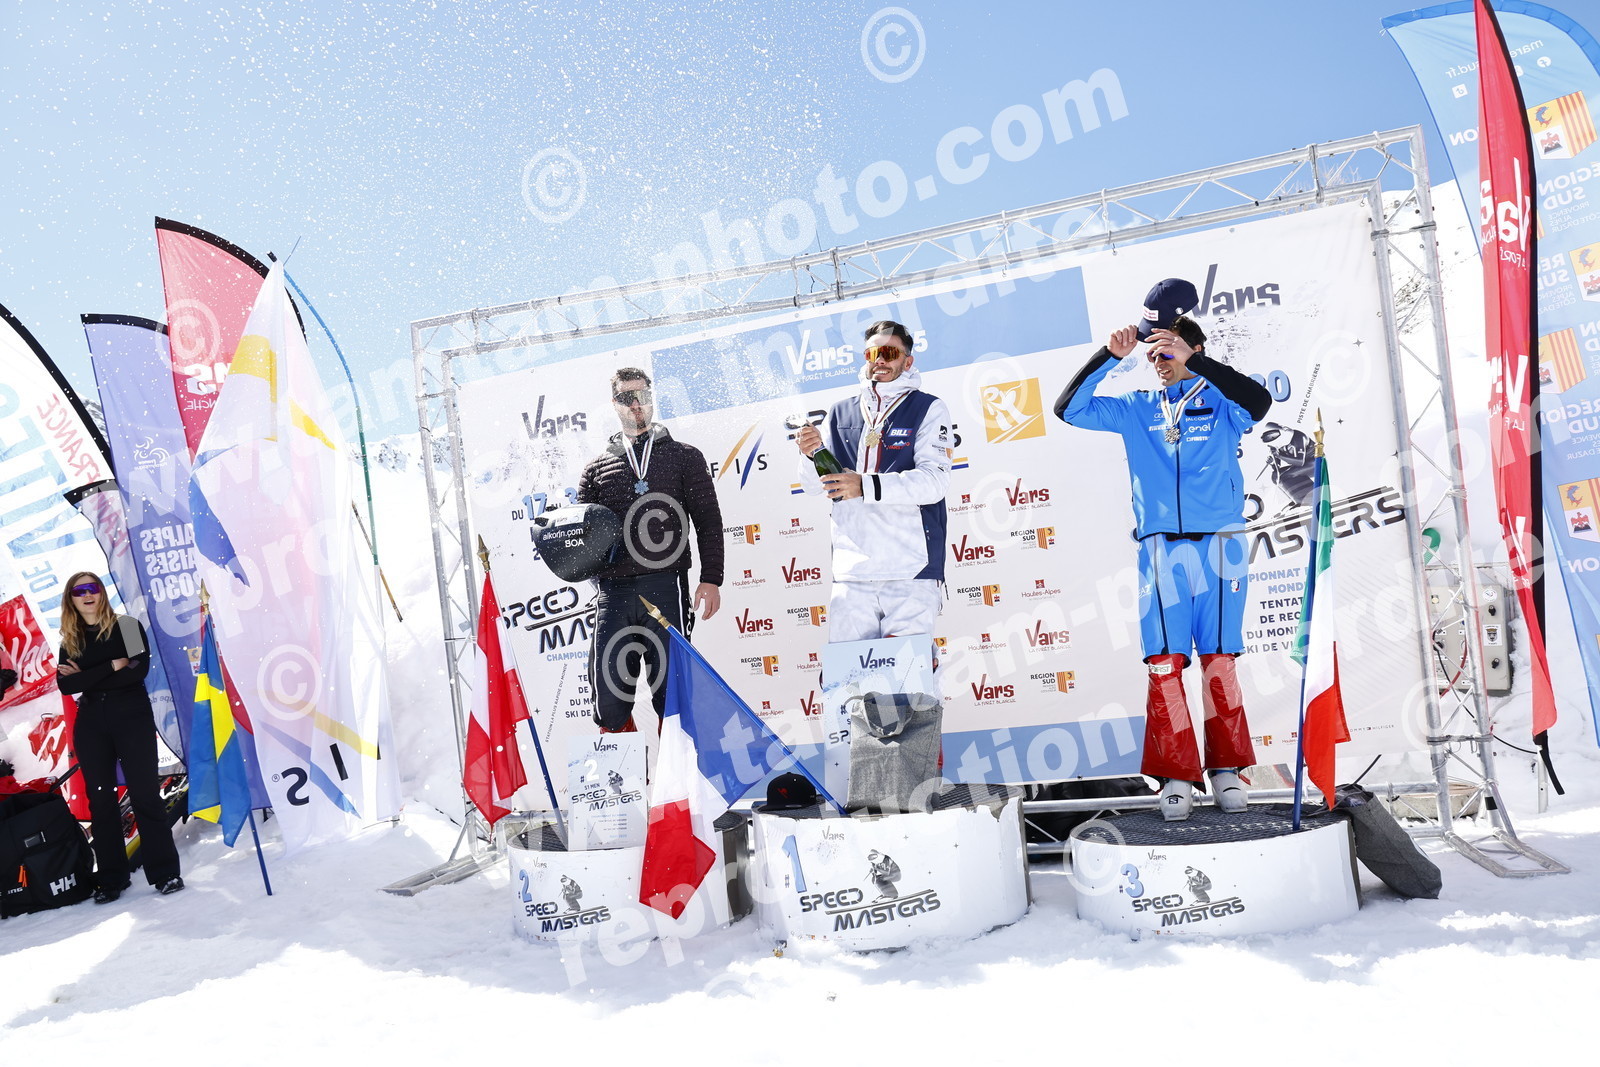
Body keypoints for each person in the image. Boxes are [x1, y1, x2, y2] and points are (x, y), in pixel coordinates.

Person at [1055, 278, 1272, 821]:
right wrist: (1110, 356)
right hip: (1160, 551)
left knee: (1219, 659)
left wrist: (1197, 362)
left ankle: (1228, 769)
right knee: (1164, 663)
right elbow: (1068, 409)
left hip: (1220, 546)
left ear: (1191, 348)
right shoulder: (1137, 407)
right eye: (1152, 354)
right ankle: (1176, 773)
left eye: (1167, 351)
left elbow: (1259, 402)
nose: (1159, 360)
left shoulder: (1222, 400)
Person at [577, 368, 724, 733]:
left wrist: (711, 579)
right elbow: (584, 539)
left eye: (642, 396)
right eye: (627, 398)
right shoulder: (595, 469)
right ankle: (623, 767)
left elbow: (708, 520)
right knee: (609, 700)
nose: (636, 404)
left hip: (666, 586)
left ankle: (676, 769)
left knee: (673, 693)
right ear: (614, 404)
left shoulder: (684, 456)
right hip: (613, 593)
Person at [793, 320, 952, 647]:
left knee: (908, 677)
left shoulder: (928, 408)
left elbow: (934, 482)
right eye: (872, 353)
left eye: (889, 353)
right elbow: (814, 486)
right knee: (850, 677)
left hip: (909, 569)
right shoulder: (840, 412)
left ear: (907, 361)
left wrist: (864, 486)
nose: (880, 360)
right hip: (852, 572)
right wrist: (810, 455)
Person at [54, 571, 183, 901]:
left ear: (101, 592)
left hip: (132, 717)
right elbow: (67, 685)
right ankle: (111, 879)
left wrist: (87, 676)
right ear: (70, 599)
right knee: (101, 801)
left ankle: (165, 873)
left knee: (145, 795)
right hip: (91, 723)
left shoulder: (128, 626)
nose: (87, 595)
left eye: (92, 588)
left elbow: (138, 671)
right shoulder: (70, 640)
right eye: (79, 591)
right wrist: (112, 667)